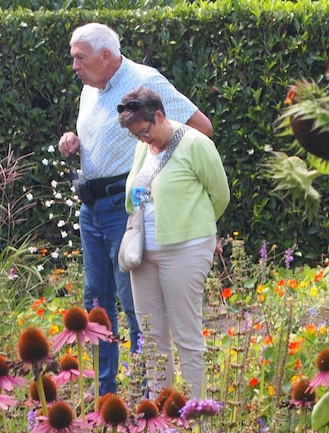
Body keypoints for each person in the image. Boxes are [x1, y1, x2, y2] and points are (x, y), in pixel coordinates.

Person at [58, 22, 213, 396]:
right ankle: (105, 394)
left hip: (126, 205)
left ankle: (148, 395)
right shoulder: (89, 89)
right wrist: (76, 141)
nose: (74, 66)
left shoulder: (145, 80)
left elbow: (200, 128)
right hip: (91, 206)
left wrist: (161, 173)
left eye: (80, 58)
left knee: (135, 304)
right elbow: (105, 137)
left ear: (105, 56)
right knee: (96, 303)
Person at [118, 87, 229, 399]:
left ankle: (197, 412)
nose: (143, 139)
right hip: (143, 252)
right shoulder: (143, 148)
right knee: (152, 337)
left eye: (145, 131)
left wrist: (197, 226)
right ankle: (160, 414)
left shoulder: (196, 144)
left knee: (186, 336)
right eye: (136, 135)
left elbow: (220, 196)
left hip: (186, 249)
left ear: (159, 115)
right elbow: (136, 193)